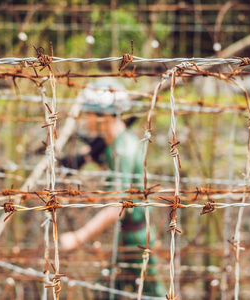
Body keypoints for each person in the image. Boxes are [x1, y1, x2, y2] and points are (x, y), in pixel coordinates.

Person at [59, 79, 164, 297]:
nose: (84, 119)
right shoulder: (114, 146)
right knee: (108, 291)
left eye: (88, 113)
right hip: (127, 236)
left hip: (135, 239)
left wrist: (79, 236)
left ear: (103, 116)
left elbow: (117, 206)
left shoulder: (121, 151)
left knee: (150, 293)